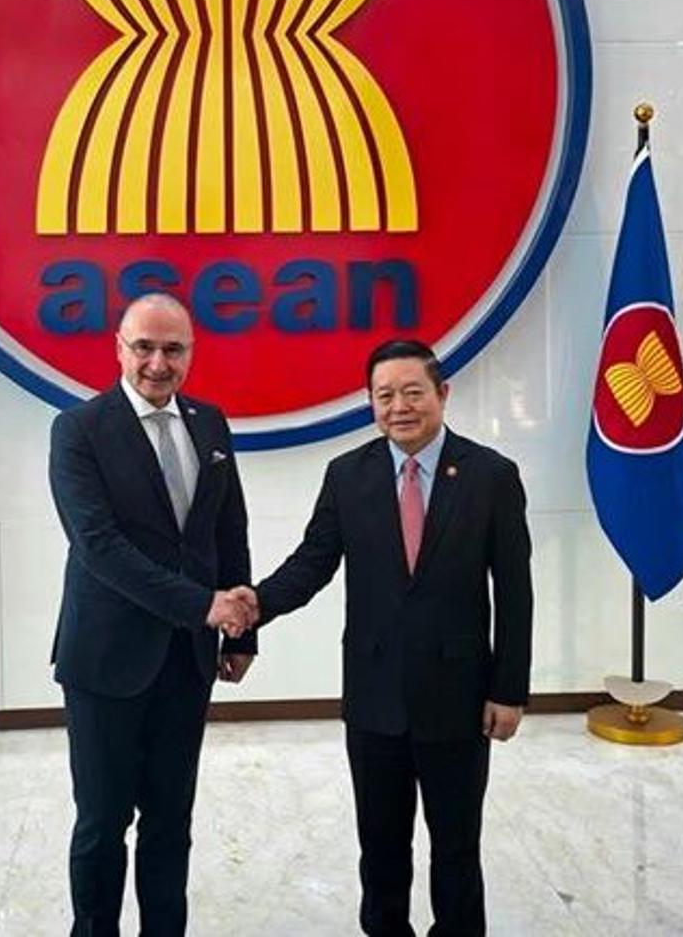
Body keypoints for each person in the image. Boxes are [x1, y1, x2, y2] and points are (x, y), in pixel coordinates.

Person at [252, 338, 532, 936]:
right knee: (380, 850)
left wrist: (509, 691)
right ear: (371, 403)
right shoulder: (346, 476)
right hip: (374, 696)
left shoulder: (490, 476)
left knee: (457, 849)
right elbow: (312, 563)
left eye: (412, 392)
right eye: (385, 396)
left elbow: (515, 592)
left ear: (442, 393)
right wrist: (254, 606)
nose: (399, 407)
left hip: (458, 698)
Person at [48, 292, 259, 937]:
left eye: (173, 349)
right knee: (102, 822)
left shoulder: (210, 423)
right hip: (105, 661)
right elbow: (99, 548)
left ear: (191, 353)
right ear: (119, 348)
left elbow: (228, 529)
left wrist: (242, 636)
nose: (158, 363)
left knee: (171, 821)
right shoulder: (78, 430)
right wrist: (204, 606)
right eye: (144, 347)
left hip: (187, 662)